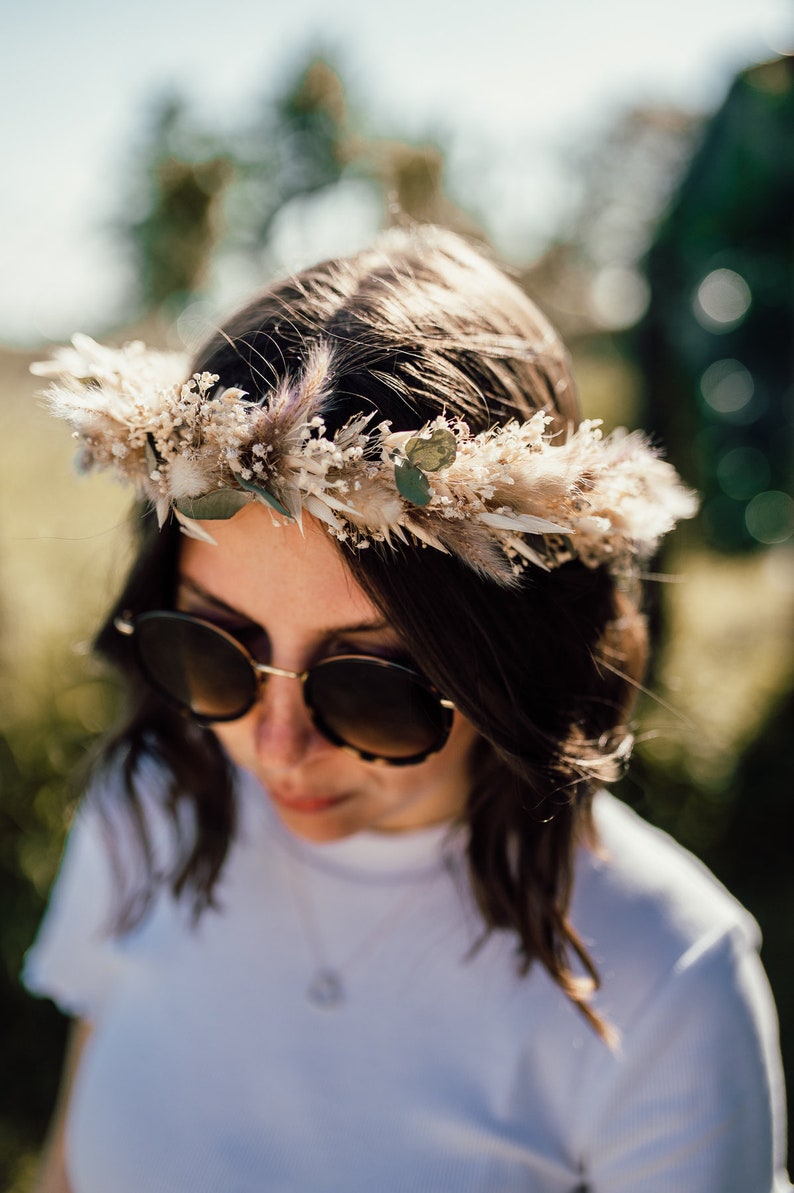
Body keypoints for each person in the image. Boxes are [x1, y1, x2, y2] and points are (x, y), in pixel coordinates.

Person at [24, 226, 789, 1192]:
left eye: (372, 685)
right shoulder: (153, 803)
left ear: (509, 658)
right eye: (212, 649)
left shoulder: (669, 979)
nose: (275, 743)